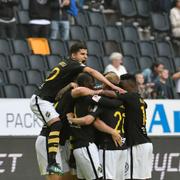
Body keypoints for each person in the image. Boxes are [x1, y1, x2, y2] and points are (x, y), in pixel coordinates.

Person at [30, 43, 124, 176]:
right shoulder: (75, 82)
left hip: (62, 142)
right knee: (56, 123)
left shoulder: (69, 81)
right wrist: (111, 87)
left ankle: (53, 162)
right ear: (73, 55)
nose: (85, 57)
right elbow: (90, 74)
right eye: (82, 54)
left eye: (86, 54)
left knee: (68, 175)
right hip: (42, 108)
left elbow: (63, 91)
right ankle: (52, 162)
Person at [69, 72, 127, 180]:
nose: (97, 84)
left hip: (105, 145)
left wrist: (71, 120)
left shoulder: (96, 99)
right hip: (121, 144)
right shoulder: (124, 100)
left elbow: (92, 121)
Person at [94, 74, 153, 180]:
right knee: (143, 177)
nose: (119, 86)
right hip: (146, 143)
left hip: (136, 144)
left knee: (132, 177)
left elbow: (111, 93)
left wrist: (96, 92)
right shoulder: (139, 99)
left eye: (122, 83)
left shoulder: (130, 96)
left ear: (129, 83)